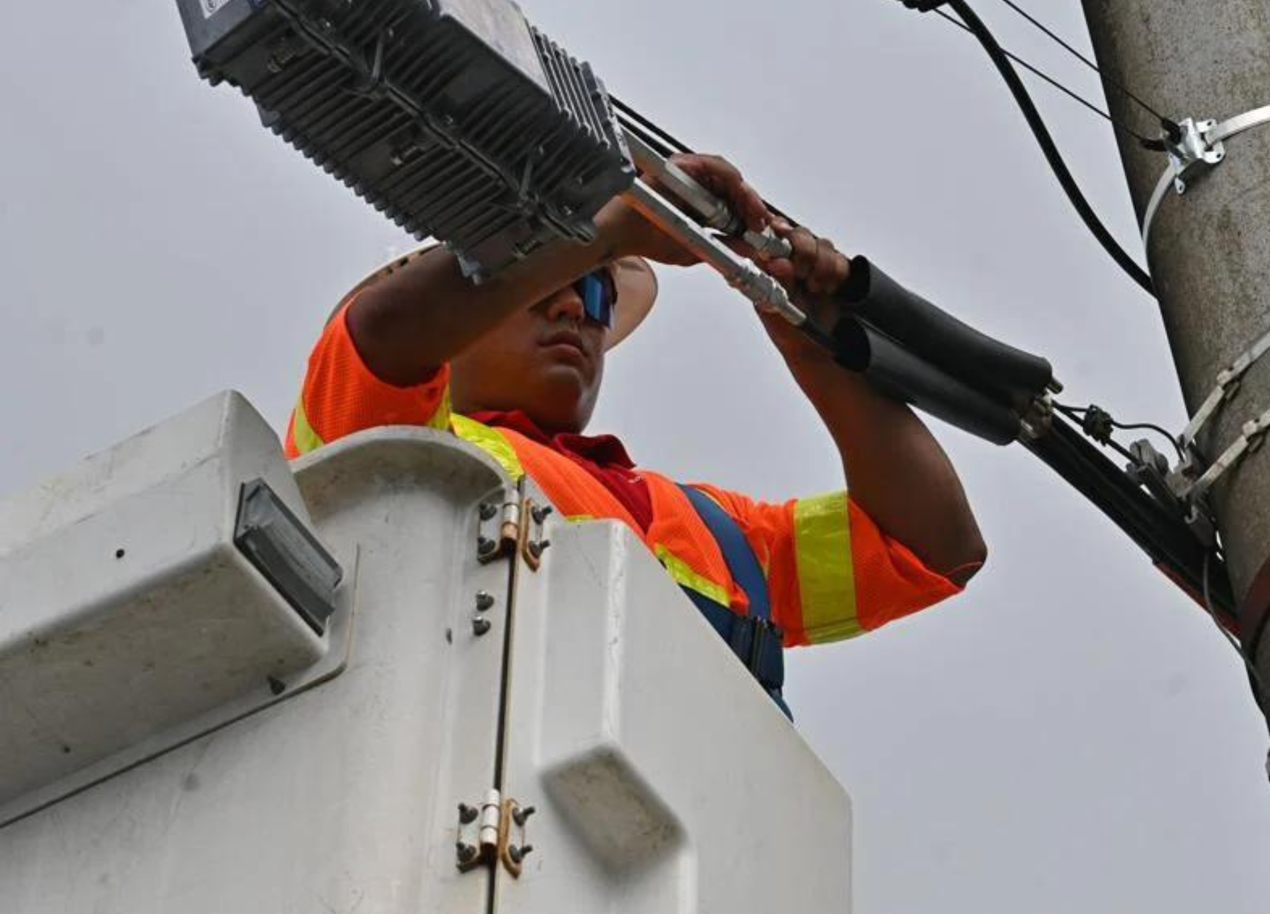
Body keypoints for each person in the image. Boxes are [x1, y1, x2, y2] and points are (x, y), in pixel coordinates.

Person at [286, 153, 985, 710]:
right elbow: (385, 333)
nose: (570, 308)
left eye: (595, 291)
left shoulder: (717, 531)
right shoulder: (393, 433)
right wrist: (610, 226)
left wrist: (810, 338)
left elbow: (932, 547)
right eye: (534, 280)